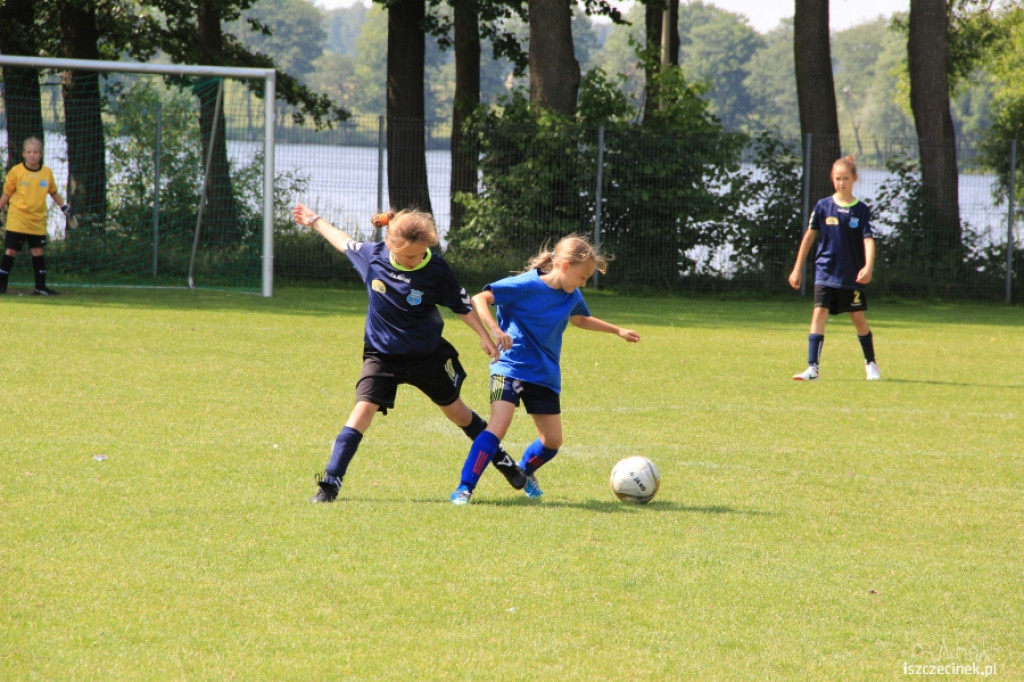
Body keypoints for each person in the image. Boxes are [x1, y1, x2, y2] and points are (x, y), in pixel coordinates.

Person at [291, 203, 528, 502]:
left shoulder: (435, 269)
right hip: (382, 356)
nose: (416, 260)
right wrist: (315, 220)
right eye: (409, 256)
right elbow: (342, 241)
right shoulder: (372, 256)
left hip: (427, 356)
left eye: (420, 254)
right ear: (391, 245)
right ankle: (330, 483)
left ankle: (505, 463)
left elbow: (461, 305)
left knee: (459, 414)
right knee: (363, 410)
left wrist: (484, 334)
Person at [450, 235, 640, 505]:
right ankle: (464, 488)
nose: (584, 283)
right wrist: (494, 330)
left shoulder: (571, 295)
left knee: (552, 441)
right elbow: (480, 298)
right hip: (511, 366)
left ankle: (524, 471)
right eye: (583, 276)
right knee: (498, 425)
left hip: (544, 374)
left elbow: (580, 318)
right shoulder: (525, 285)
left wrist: (617, 330)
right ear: (565, 266)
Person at [788, 155, 880, 381]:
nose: (841, 183)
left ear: (854, 179)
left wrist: (868, 266)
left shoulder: (861, 210)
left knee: (857, 317)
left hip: (851, 274)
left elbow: (868, 240)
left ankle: (871, 363)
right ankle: (813, 368)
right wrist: (797, 268)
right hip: (825, 271)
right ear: (832, 179)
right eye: (837, 178)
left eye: (845, 178)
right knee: (819, 312)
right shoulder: (823, 206)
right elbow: (809, 237)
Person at [0, 136, 75, 295]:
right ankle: (1, 286)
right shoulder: (16, 172)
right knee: (11, 251)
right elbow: (6, 195)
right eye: (29, 152)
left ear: (41, 154)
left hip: (37, 220)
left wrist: (64, 207)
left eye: (35, 152)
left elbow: (53, 193)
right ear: (23, 154)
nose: (32, 155)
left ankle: (40, 287)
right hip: (18, 219)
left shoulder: (46, 173)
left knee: (38, 252)